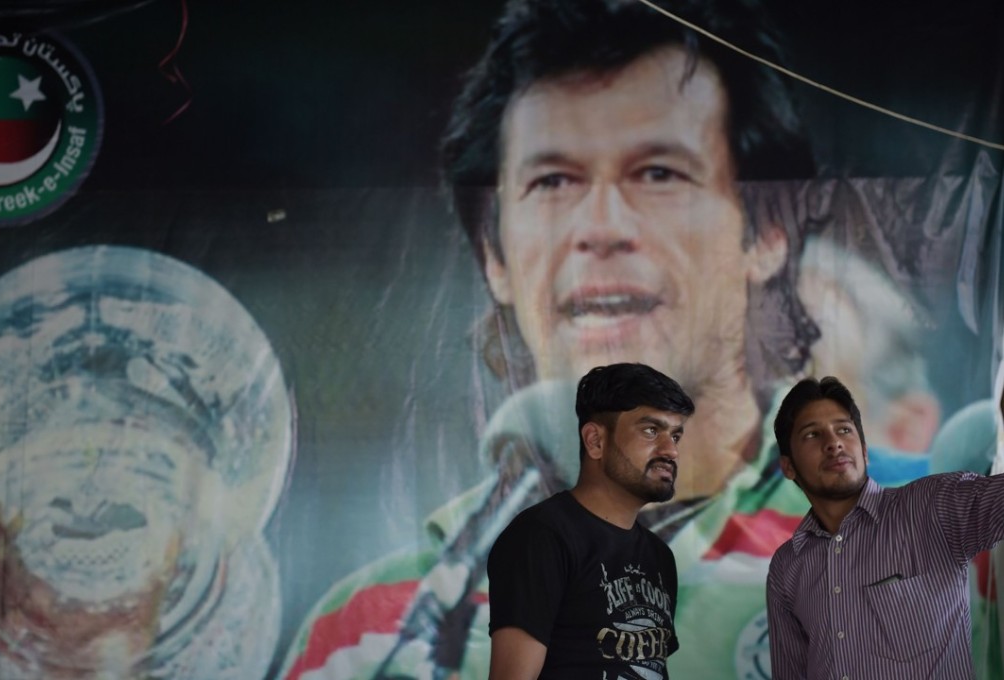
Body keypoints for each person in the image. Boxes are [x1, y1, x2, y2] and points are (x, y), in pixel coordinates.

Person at [278, 1, 971, 678]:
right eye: (552, 181)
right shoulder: (365, 639)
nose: (600, 225)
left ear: (765, 232)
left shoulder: (924, 567)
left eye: (657, 174)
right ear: (496, 259)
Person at [766, 375, 1004, 679]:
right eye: (813, 435)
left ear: (864, 450)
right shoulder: (788, 566)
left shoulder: (930, 508)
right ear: (788, 466)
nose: (834, 442)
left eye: (844, 429)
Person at [487, 362, 694, 679]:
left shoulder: (659, 556)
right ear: (595, 441)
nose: (671, 451)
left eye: (675, 435)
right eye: (651, 431)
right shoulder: (541, 536)